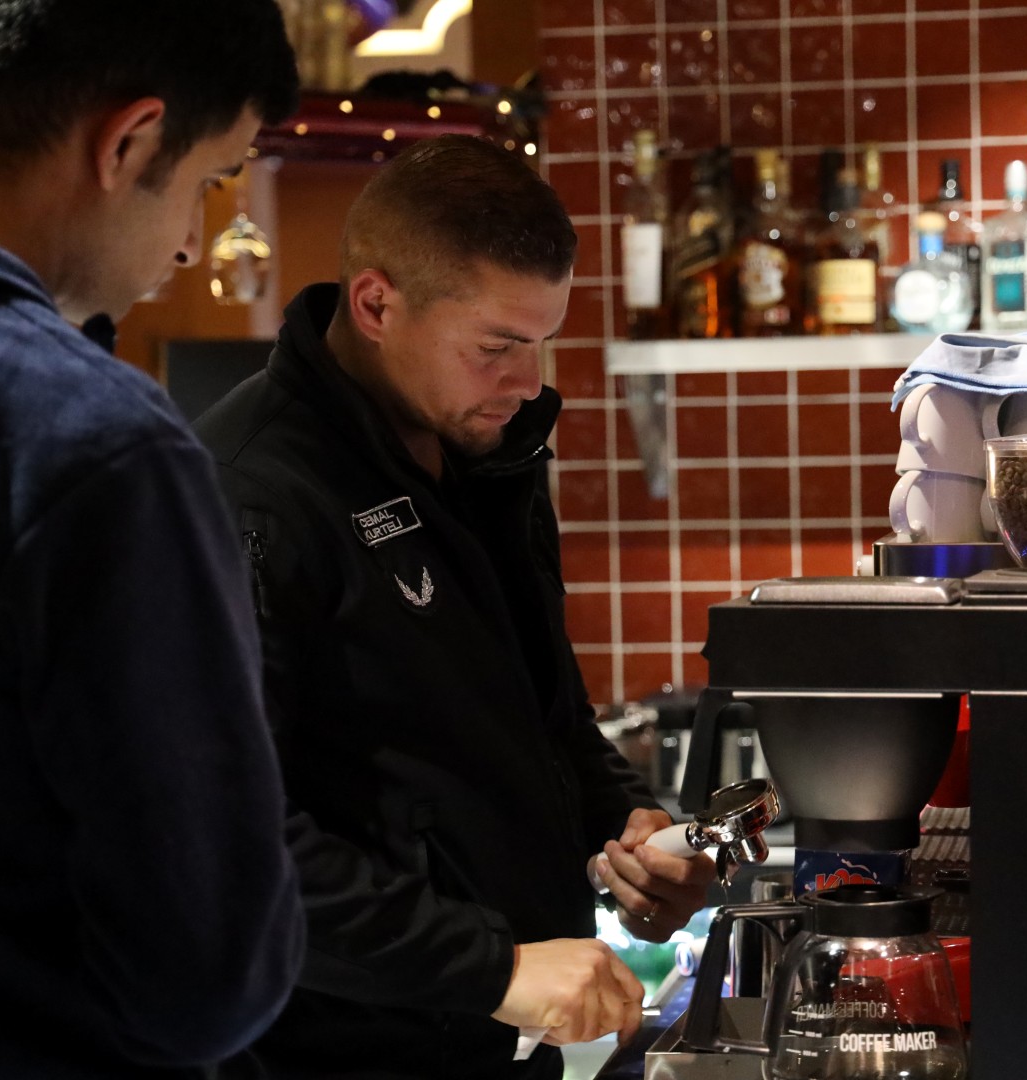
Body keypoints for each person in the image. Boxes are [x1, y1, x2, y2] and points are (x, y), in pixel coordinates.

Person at [193, 135, 716, 1079]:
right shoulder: (247, 497)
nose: (528, 383)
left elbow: (542, 721)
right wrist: (495, 969)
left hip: (497, 1043)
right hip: (328, 1058)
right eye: (496, 348)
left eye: (542, 342)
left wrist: (626, 827)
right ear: (376, 304)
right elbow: (231, 843)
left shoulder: (486, 458)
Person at [0, 1, 305, 1074]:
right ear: (128, 142)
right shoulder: (91, 444)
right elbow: (206, 973)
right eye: (209, 182)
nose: (186, 240)